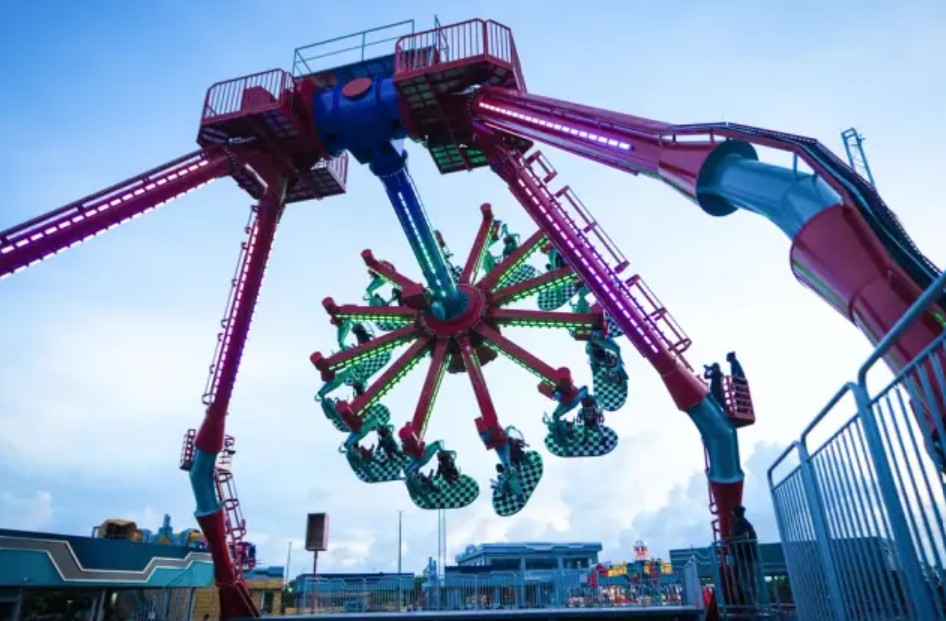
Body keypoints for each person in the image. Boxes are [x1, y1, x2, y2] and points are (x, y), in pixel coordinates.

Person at [728, 505, 759, 607]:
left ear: (734, 513)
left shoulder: (741, 523)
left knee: (744, 581)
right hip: (749, 555)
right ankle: (754, 603)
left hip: (745, 555)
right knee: (750, 579)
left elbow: (745, 536)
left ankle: (752, 604)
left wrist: (732, 539)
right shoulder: (745, 523)